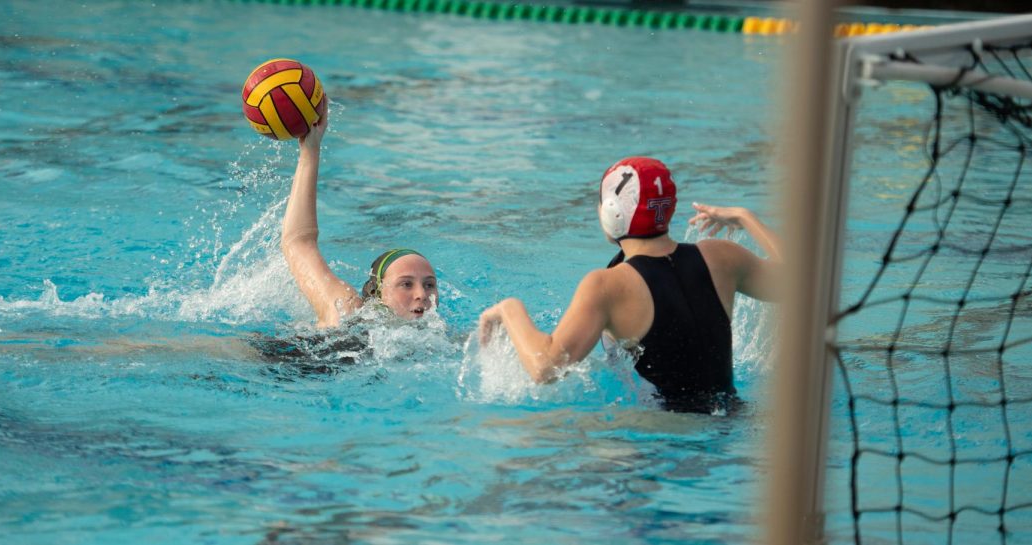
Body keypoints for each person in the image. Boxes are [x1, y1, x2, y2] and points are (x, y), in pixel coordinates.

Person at [478, 157, 782, 412]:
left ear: (613, 212)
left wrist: (509, 309)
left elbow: (545, 369)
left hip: (663, 439)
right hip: (733, 420)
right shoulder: (720, 256)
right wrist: (746, 217)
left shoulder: (608, 285)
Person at [281, 103, 439, 328]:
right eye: (406, 284)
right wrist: (310, 151)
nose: (421, 294)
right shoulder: (348, 312)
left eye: (430, 285)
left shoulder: (444, 342)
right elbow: (298, 243)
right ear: (377, 293)